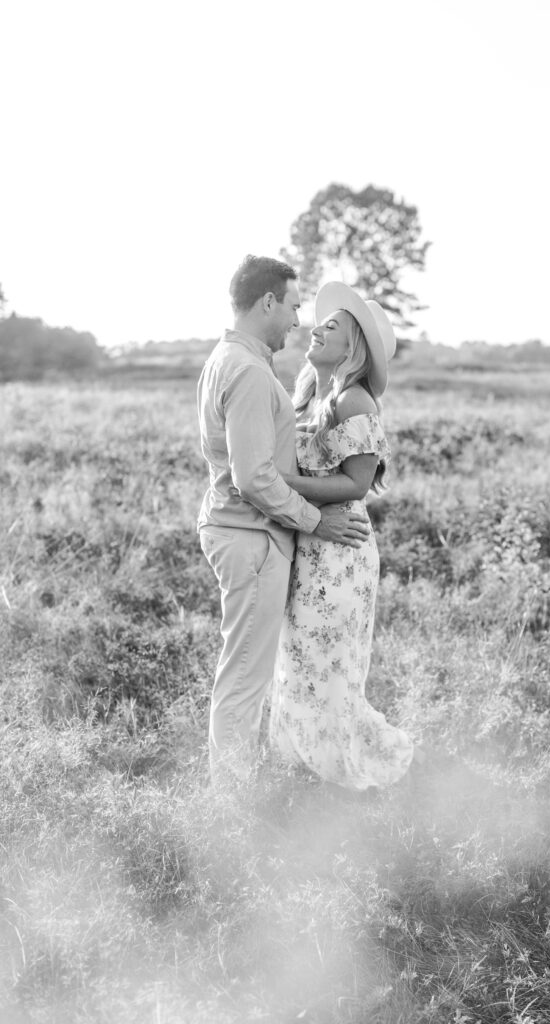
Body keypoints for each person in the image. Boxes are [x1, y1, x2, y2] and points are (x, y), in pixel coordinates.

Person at [197, 257, 370, 780]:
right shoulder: (249, 371)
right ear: (268, 302)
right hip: (251, 537)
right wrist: (317, 521)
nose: (298, 320)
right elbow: (255, 477)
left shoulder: (230, 358)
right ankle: (232, 806)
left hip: (243, 533)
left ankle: (239, 790)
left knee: (246, 670)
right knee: (246, 677)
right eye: (294, 306)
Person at [269, 282, 416, 790]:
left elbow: (356, 484)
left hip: (341, 551)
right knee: (298, 658)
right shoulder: (310, 393)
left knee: (328, 664)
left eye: (332, 326)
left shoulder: (355, 401)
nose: (317, 327)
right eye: (319, 322)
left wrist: (284, 483)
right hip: (307, 543)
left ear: (352, 346)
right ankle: (302, 764)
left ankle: (339, 771)